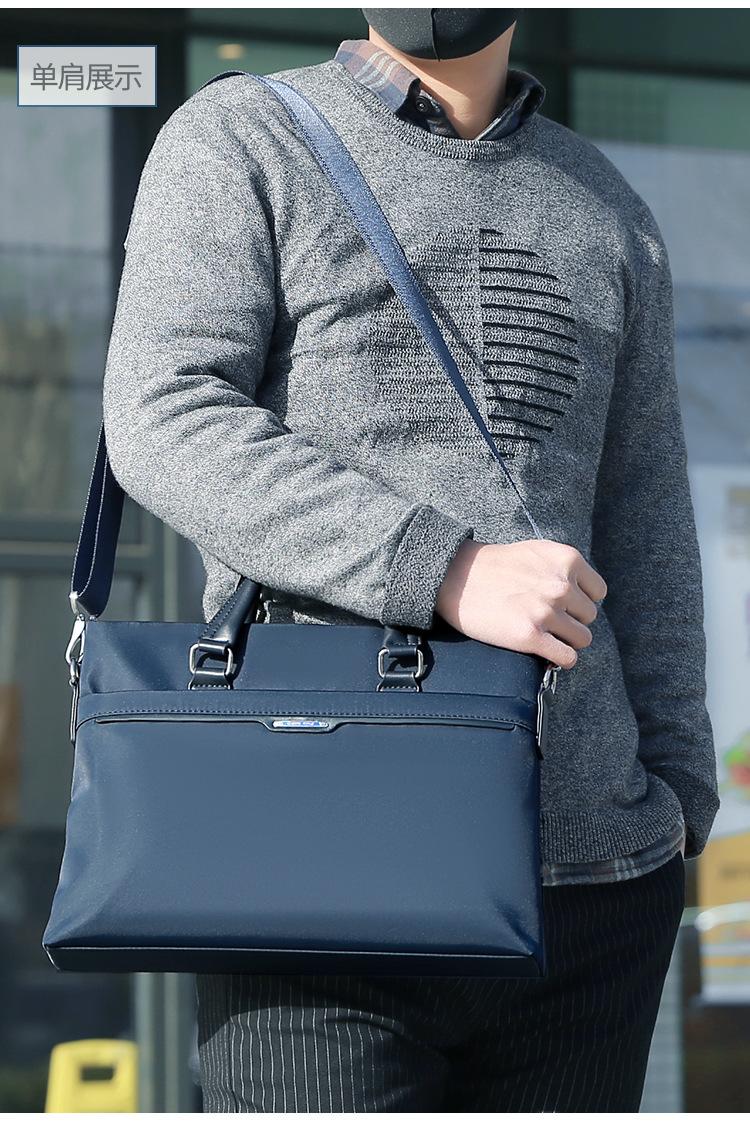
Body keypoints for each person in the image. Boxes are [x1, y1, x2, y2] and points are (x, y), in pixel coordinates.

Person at [101, 7, 720, 1112]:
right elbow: (164, 415)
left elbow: (645, 512)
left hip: (589, 888)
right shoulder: (246, 136)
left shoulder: (604, 203)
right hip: (314, 863)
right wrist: (445, 566)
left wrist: (677, 797)